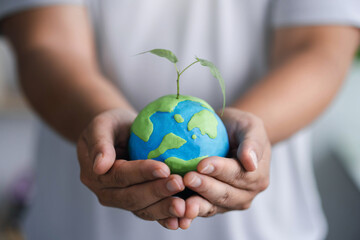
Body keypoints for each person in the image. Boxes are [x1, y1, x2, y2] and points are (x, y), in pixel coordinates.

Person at [0, 0, 359, 239]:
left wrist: (252, 128)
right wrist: (99, 123)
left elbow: (320, 45)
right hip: (81, 225)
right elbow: (43, 42)